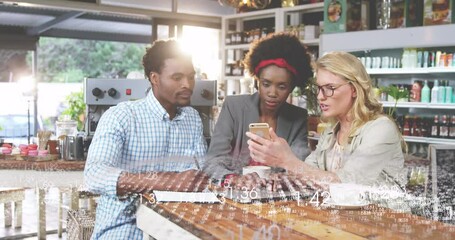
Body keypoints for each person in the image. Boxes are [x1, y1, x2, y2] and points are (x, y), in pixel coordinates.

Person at [84, 39, 208, 239]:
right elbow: (94, 176)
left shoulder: (192, 118)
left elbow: (200, 175)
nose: (187, 85)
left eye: (191, 77)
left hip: (176, 226)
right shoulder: (122, 116)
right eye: (177, 77)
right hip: (124, 225)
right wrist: (168, 181)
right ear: (154, 78)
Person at [246, 51, 406, 189]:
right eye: (320, 88)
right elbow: (309, 172)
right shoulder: (331, 132)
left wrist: (287, 160)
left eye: (330, 88)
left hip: (383, 221)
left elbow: (347, 186)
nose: (321, 97)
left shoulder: (380, 129)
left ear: (354, 89)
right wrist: (274, 173)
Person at [204, 32, 313, 188]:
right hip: (235, 193)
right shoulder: (234, 106)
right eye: (266, 84)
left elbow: (299, 163)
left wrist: (282, 178)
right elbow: (212, 161)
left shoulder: (297, 117)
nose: (272, 93)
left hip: (274, 196)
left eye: (282, 86)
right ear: (257, 82)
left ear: (292, 88)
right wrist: (233, 179)